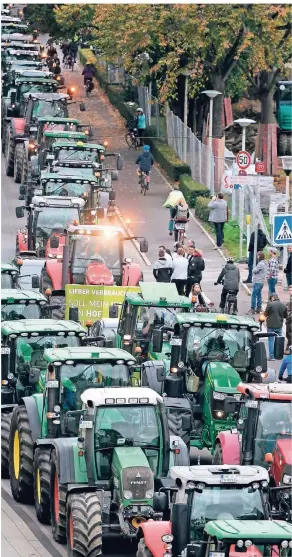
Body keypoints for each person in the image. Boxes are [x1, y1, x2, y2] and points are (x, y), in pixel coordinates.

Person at [264, 293, 287, 360]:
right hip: (279, 325)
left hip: (271, 325)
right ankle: (279, 356)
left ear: (272, 298)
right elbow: (285, 316)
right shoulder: (283, 305)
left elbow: (265, 314)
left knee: (271, 340)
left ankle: (271, 356)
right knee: (279, 340)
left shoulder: (270, 304)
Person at [285, 284, 292, 353]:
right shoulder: (290, 298)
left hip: (290, 320)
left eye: (291, 290)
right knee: (288, 334)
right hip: (289, 320)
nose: (290, 292)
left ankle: (289, 348)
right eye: (289, 290)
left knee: (290, 335)